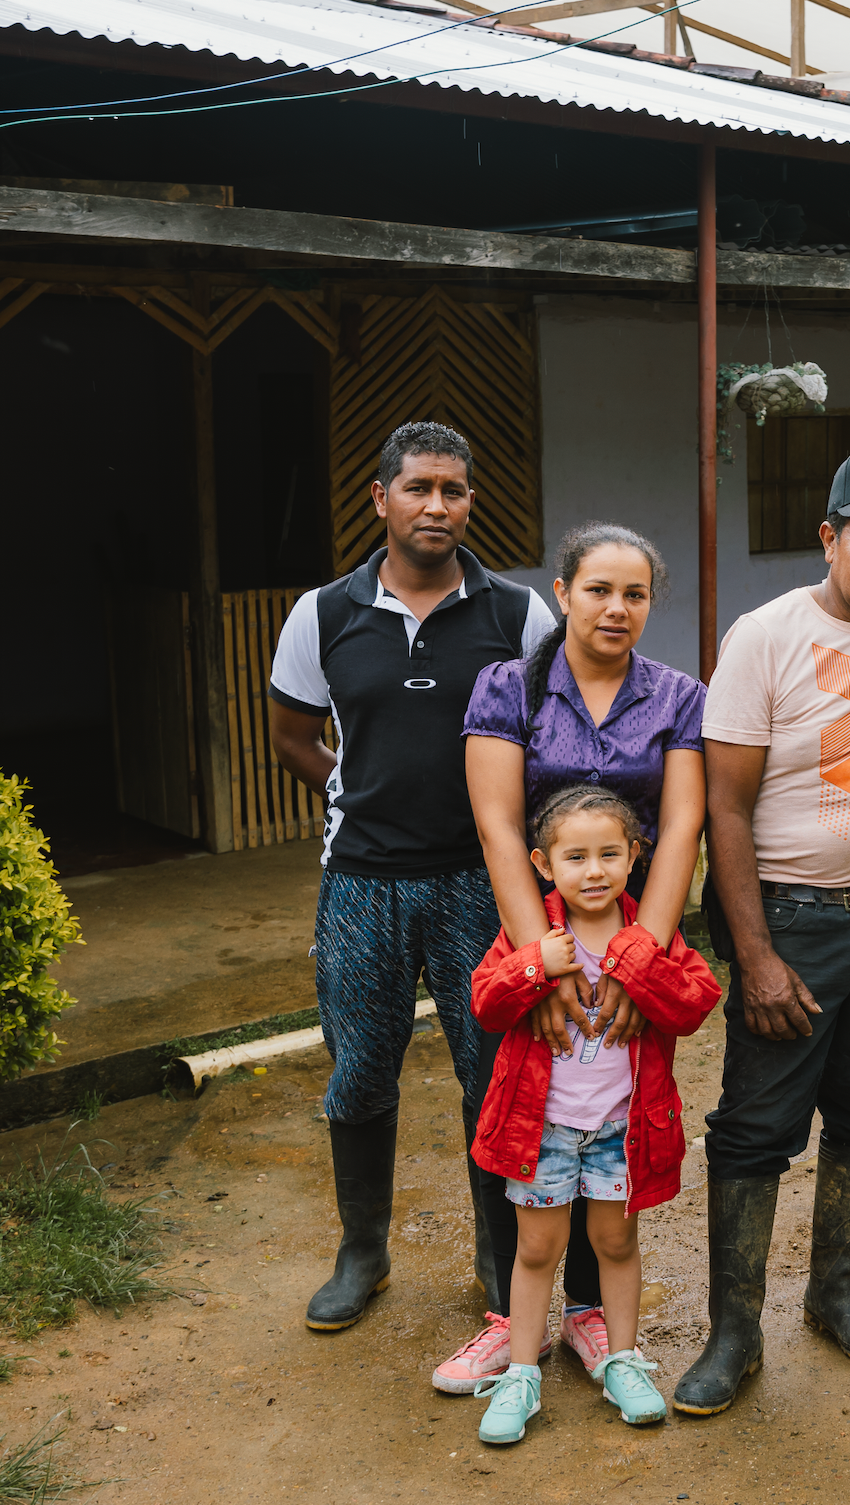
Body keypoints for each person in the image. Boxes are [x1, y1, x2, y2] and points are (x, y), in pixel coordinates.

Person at [266, 420, 556, 1338]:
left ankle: (496, 1254)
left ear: (471, 502)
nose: (438, 506)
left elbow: (554, 738)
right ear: (381, 499)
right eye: (420, 488)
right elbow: (291, 736)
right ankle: (363, 1251)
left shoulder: (518, 617)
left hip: (482, 880)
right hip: (362, 882)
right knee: (360, 1070)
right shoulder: (324, 614)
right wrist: (360, 794)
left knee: (492, 1071)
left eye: (455, 490)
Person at [678, 445, 850, 1417]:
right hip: (794, 924)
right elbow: (727, 810)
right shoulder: (763, 638)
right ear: (827, 537)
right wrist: (753, 957)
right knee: (754, 1131)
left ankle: (836, 1293)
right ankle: (732, 1332)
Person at [450, 523, 706, 1390]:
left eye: (634, 594)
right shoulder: (507, 688)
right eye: (599, 589)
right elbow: (498, 826)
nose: (616, 608)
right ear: (562, 594)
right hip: (529, 926)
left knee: (611, 1117)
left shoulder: (677, 695)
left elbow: (679, 828)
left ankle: (594, 1321)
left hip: (628, 927)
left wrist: (640, 957)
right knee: (515, 1113)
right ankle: (506, 1317)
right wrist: (542, 964)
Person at [465, 785, 721, 1444]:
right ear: (544, 865)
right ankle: (522, 1372)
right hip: (541, 1132)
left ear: (636, 856)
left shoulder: (648, 934)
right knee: (536, 1249)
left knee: (616, 1243)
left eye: (610, 853)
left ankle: (623, 1361)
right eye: (575, 856)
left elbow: (695, 1002)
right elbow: (486, 1004)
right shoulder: (535, 935)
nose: (595, 870)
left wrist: (639, 969)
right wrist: (532, 969)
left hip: (619, 1132)